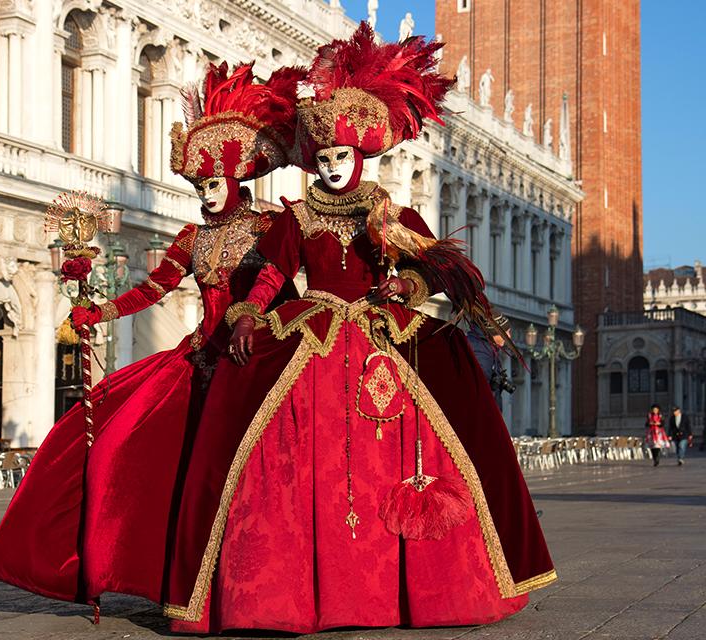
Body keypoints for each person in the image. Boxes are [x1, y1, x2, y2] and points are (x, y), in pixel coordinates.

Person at [163, 23, 554, 634]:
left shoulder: (392, 215)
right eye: (322, 158)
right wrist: (245, 313)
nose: (332, 166)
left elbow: (438, 269)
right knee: (263, 442)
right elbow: (273, 274)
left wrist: (407, 286)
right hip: (310, 329)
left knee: (438, 421)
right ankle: (284, 592)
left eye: (341, 156)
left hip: (380, 334)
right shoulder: (294, 216)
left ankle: (411, 587)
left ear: (363, 155)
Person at [0, 62, 302, 607]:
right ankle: (145, 569)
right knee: (113, 442)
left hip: (254, 360)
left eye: (213, 184)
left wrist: (251, 316)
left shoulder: (271, 226)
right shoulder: (190, 238)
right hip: (200, 359)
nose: (205, 195)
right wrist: (98, 312)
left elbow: (278, 281)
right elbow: (152, 290)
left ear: (236, 179)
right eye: (199, 186)